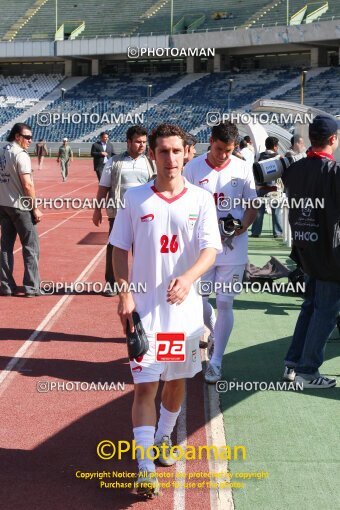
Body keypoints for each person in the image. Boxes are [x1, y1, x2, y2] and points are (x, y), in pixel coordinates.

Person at [110, 123, 221, 496]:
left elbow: (210, 250)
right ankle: (144, 467)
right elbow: (118, 249)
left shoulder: (200, 200)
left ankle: (163, 438)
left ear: (186, 153)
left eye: (176, 151)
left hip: (184, 318)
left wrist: (188, 278)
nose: (170, 159)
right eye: (163, 152)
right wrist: (124, 294)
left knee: (174, 384)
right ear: (152, 155)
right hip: (145, 315)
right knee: (144, 389)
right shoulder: (135, 198)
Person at [184, 121, 257, 383]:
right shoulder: (192, 168)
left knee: (225, 301)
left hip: (233, 248)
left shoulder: (242, 167)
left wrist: (242, 227)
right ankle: (214, 330)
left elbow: (252, 207)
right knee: (197, 300)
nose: (223, 155)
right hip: (201, 248)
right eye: (218, 149)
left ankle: (216, 362)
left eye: (228, 150)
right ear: (210, 141)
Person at [282, 115, 340, 389]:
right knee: (325, 311)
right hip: (330, 253)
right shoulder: (334, 172)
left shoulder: (294, 169)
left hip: (305, 249)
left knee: (310, 306)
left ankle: (292, 363)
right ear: (333, 139)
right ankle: (307, 370)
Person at [92, 126, 155, 297]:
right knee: (115, 248)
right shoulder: (114, 162)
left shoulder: (150, 162)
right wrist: (97, 210)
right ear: (128, 142)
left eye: (144, 142)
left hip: (144, 215)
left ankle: (140, 283)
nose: (142, 145)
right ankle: (112, 283)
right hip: (120, 213)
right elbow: (103, 187)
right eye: (138, 142)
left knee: (143, 249)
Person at [0, 123, 43, 297]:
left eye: (31, 137)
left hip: (3, 205)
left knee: (5, 247)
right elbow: (27, 184)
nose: (30, 141)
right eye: (27, 137)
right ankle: (32, 287)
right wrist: (35, 208)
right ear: (17, 136)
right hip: (20, 206)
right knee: (31, 247)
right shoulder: (20, 154)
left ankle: (6, 286)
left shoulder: (2, 150)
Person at [251, 136, 283, 238]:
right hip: (274, 188)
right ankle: (277, 232)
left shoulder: (258, 156)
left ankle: (256, 232)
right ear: (275, 146)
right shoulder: (279, 157)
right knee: (276, 211)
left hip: (260, 188)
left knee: (259, 211)